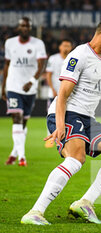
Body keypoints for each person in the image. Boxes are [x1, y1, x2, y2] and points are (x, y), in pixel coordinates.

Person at [21, 18, 101, 225]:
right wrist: (60, 124)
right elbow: (63, 95)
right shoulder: (79, 55)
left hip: (86, 118)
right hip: (67, 114)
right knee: (76, 158)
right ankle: (35, 212)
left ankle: (86, 202)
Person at [2, 17, 47, 166]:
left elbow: (41, 65)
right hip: (14, 87)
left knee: (23, 124)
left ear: (30, 28)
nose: (25, 28)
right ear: (19, 27)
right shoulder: (10, 43)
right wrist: (3, 87)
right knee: (17, 118)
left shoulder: (37, 44)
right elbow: (7, 65)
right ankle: (22, 157)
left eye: (27, 26)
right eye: (22, 26)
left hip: (30, 89)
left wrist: (32, 81)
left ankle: (14, 154)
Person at [44, 39, 73, 148]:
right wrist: (52, 89)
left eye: (68, 45)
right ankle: (50, 137)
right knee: (51, 114)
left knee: (67, 114)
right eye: (64, 45)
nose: (66, 47)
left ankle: (65, 135)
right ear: (60, 47)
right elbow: (48, 75)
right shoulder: (53, 58)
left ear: (71, 48)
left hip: (67, 93)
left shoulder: (73, 59)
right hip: (54, 92)